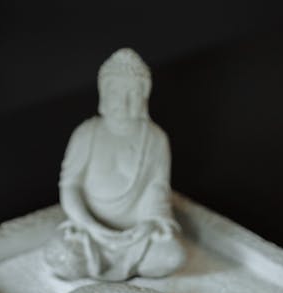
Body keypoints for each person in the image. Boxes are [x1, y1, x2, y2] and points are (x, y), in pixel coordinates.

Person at [44, 48, 185, 281]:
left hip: (137, 236)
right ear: (103, 94)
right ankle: (95, 259)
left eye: (132, 93)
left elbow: (157, 188)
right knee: (60, 257)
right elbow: (70, 186)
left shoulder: (155, 138)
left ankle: (133, 263)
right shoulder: (87, 133)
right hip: (90, 232)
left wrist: (149, 224)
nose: (123, 101)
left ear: (144, 96)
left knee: (173, 256)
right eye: (115, 92)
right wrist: (88, 223)